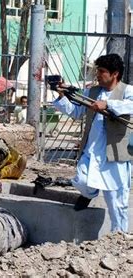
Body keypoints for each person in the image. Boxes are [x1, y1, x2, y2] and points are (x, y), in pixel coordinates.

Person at [52, 53, 133, 232]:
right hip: (92, 150)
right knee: (81, 180)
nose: (97, 75)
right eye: (97, 70)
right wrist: (61, 97)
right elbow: (76, 112)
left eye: (102, 71)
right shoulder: (92, 92)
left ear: (115, 74)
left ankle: (118, 237)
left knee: (117, 200)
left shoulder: (128, 91)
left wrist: (109, 105)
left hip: (115, 153)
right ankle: (90, 193)